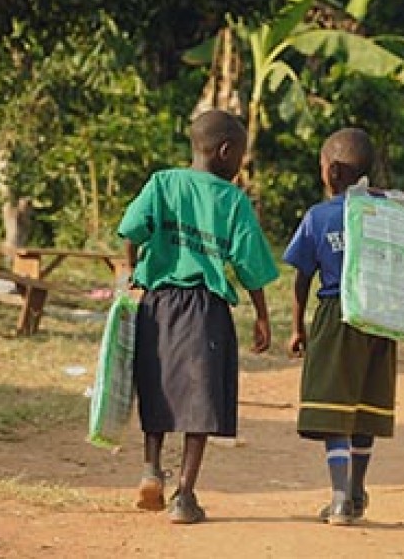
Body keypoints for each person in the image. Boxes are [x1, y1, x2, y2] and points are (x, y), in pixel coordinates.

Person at [117, 110, 278, 524]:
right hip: (205, 309)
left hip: (158, 303)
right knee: (201, 401)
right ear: (226, 152)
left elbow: (131, 229)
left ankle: (152, 468)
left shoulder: (162, 182)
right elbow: (250, 266)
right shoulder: (233, 200)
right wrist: (262, 316)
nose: (241, 163)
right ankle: (184, 496)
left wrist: (136, 275)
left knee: (156, 387)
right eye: (240, 155)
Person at [283, 127, 398, 525]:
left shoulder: (319, 217)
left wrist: (297, 327)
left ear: (331, 171)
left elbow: (302, 278)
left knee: (335, 409)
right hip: (380, 318)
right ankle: (357, 490)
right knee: (365, 408)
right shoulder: (389, 211)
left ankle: (338, 499)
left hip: (337, 315)